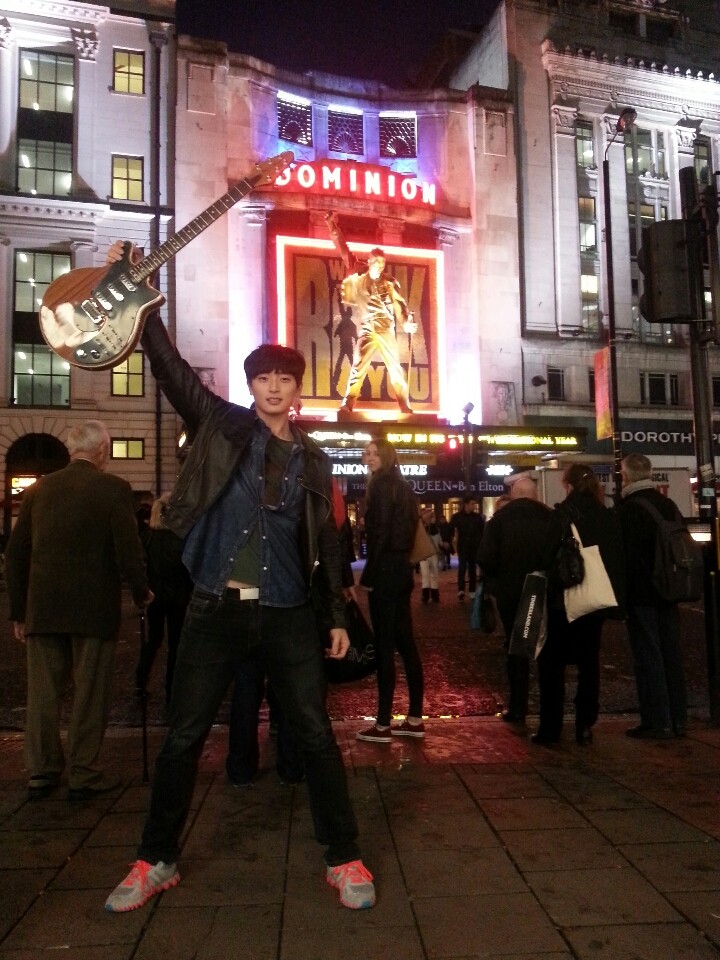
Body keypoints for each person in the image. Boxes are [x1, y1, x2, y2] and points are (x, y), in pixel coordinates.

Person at [103, 243, 374, 913]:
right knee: (185, 735)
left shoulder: (312, 459)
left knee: (313, 734)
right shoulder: (221, 425)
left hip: (285, 612)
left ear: (297, 386)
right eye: (263, 377)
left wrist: (336, 616)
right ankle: (156, 858)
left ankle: (343, 857)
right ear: (251, 386)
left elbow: (328, 541)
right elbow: (167, 370)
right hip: (213, 607)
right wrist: (138, 290)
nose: (274, 387)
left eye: (285, 377)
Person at [5, 420, 150, 801]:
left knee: (42, 694)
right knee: (90, 693)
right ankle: (83, 771)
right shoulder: (113, 489)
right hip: (92, 609)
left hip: (44, 608)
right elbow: (127, 548)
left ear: (72, 450)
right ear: (103, 451)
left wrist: (19, 610)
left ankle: (42, 769)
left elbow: (17, 552)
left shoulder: (39, 490)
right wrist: (141, 591)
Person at [533, 464, 625, 746]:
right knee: (589, 661)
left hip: (565, 597)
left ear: (567, 485)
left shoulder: (562, 514)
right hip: (595, 598)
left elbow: (547, 554)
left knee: (552, 662)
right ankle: (585, 723)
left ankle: (551, 728)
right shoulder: (606, 515)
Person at [356, 438, 425, 742]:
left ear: (385, 456)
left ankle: (383, 723)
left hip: (384, 571)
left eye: (373, 453)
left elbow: (381, 533)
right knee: (406, 643)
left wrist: (367, 575)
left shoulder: (381, 487)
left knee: (384, 645)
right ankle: (413, 718)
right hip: (401, 569)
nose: (367, 457)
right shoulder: (403, 486)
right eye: (366, 453)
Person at [619, 453, 687, 739]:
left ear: (627, 476)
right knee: (671, 653)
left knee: (648, 656)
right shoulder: (668, 505)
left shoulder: (628, 509)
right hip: (669, 591)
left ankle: (656, 720)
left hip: (642, 594)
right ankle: (677, 718)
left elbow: (623, 556)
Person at [477, 477, 553, 724]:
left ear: (513, 493)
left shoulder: (499, 520)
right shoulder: (549, 517)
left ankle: (518, 707)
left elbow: (486, 558)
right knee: (546, 649)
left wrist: (496, 580)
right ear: (535, 495)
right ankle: (548, 710)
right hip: (542, 588)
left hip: (510, 591)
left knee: (515, 648)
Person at [326, 212, 417, 415]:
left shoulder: (390, 282)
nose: (379, 267)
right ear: (369, 262)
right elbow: (343, 250)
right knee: (358, 367)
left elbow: (400, 305)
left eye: (382, 264)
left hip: (385, 328)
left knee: (395, 369)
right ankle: (348, 404)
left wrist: (406, 323)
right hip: (367, 327)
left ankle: (405, 405)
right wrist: (332, 226)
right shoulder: (358, 275)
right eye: (375, 263)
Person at [135, 495, 194, 707]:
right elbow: (188, 571)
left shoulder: (148, 537)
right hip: (177, 598)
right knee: (175, 644)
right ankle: (172, 689)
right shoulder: (180, 539)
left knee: (154, 639)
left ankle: (140, 682)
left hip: (155, 597)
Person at [448, 496, 484, 601]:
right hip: (463, 545)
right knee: (462, 567)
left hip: (473, 546)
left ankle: (472, 590)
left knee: (472, 568)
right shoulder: (458, 517)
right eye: (472, 504)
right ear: (466, 504)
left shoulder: (477, 517)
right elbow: (450, 528)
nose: (474, 506)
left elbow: (482, 532)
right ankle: (461, 590)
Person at [419, 508, 441, 603]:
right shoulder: (421, 527)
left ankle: (432, 594)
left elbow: (438, 539)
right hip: (425, 553)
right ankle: (427, 594)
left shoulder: (434, 527)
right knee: (426, 574)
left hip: (432, 553)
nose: (433, 518)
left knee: (433, 574)